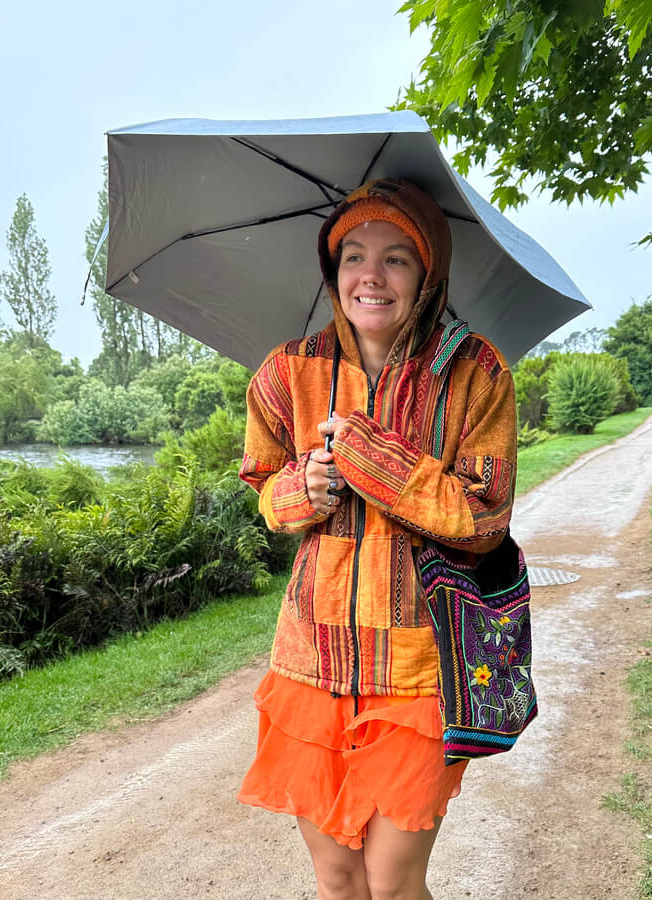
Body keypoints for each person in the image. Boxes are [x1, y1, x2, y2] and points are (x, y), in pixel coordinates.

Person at [237, 177, 517, 899]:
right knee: (336, 877)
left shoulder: (474, 372)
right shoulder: (286, 372)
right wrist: (303, 490)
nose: (371, 274)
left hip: (420, 669)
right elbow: (262, 485)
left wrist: (367, 456)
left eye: (396, 257)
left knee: (391, 882)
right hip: (310, 662)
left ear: (428, 275)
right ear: (332, 270)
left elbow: (484, 518)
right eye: (354, 254)